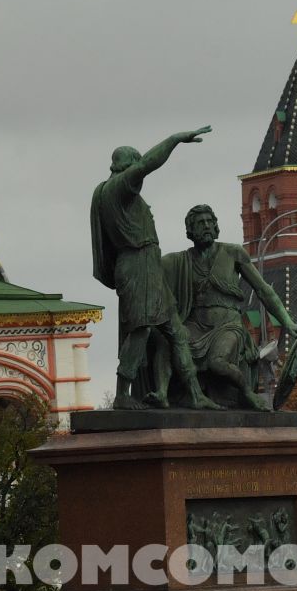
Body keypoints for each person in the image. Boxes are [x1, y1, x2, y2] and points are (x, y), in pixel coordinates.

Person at [89, 129, 219, 411]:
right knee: (141, 329)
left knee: (176, 333)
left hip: (147, 266)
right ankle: (123, 393)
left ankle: (196, 395)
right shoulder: (117, 188)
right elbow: (148, 163)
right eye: (136, 166)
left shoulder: (107, 192)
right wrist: (175, 139)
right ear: (128, 165)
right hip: (137, 266)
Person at [161, 203, 297, 410]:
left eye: (209, 222)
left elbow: (263, 290)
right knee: (166, 341)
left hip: (227, 326)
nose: (206, 226)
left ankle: (247, 393)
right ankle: (169, 395)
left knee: (217, 363)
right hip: (194, 326)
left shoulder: (233, 253)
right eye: (199, 223)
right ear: (190, 231)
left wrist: (288, 322)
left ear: (216, 227)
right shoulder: (180, 261)